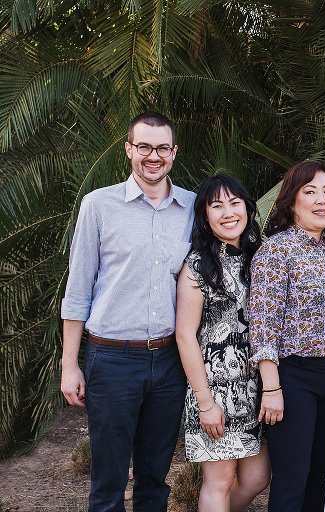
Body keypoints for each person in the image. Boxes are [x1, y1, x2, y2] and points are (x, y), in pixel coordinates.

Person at [60, 112, 195, 511]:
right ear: (129, 150)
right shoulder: (99, 205)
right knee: (109, 480)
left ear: (173, 152)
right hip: (112, 359)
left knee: (155, 478)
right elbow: (78, 289)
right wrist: (71, 364)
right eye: (144, 147)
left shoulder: (191, 207)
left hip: (169, 360)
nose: (153, 156)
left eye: (162, 148)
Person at [248, 161, 325, 512]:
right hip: (292, 379)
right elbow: (263, 324)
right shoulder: (275, 251)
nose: (321, 200)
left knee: (320, 476)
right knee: (293, 477)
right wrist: (272, 388)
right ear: (291, 201)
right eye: (310, 192)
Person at [175, 174, 270, 511]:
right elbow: (185, 335)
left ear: (247, 208)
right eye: (217, 206)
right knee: (219, 481)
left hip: (255, 388)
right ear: (205, 216)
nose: (228, 212)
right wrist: (204, 402)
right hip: (215, 388)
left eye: (234, 203)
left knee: (257, 478)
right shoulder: (197, 265)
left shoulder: (259, 256)